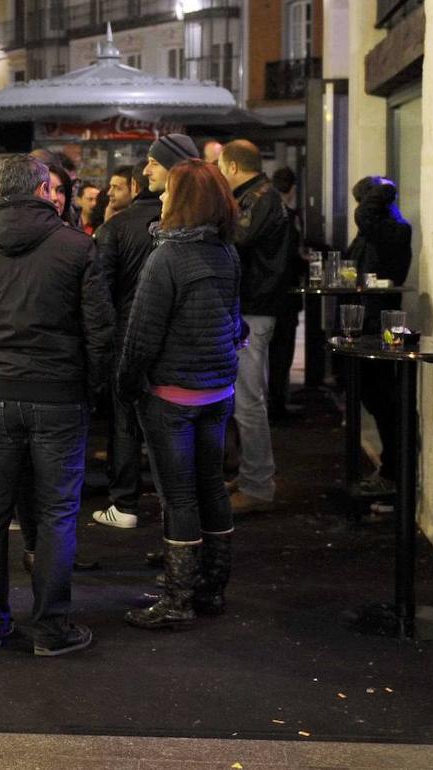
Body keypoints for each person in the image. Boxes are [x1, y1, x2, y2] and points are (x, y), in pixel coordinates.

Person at [0, 154, 113, 655]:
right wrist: (91, 386)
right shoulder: (77, 246)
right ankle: (52, 627)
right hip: (59, 395)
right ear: (41, 190)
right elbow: (100, 330)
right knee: (56, 512)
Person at [116, 158, 242, 630]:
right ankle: (211, 587)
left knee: (179, 495)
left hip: (172, 395)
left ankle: (177, 598)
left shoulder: (166, 257)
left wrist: (126, 388)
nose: (162, 198)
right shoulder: (225, 252)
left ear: (184, 201)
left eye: (169, 191)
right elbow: (235, 319)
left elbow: (142, 336)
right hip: (217, 390)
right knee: (211, 486)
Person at [91, 153, 174, 531]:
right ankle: (172, 500)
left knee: (124, 418)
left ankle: (124, 501)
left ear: (135, 188)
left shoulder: (115, 229)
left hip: (125, 333)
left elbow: (100, 290)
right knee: (165, 417)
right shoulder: (177, 224)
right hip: (169, 336)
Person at [219, 140, 292, 513]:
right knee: (244, 399)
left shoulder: (261, 197)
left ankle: (259, 485)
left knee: (248, 401)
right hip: (252, 307)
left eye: (220, 167)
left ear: (232, 167)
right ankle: (250, 474)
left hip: (256, 308)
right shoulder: (261, 195)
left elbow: (239, 239)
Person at [347, 176, 413, 497]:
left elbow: (366, 217)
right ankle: (391, 467)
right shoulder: (372, 231)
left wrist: (383, 188)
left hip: (384, 322)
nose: (360, 207)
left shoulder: (395, 231)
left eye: (365, 199)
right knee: (372, 395)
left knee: (385, 398)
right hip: (365, 321)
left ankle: (395, 471)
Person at [267, 166, 306, 419]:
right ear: (292, 189)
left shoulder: (265, 213)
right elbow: (292, 255)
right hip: (285, 293)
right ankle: (278, 405)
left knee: (266, 356)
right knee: (281, 353)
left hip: (265, 296)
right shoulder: (289, 217)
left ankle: (273, 404)